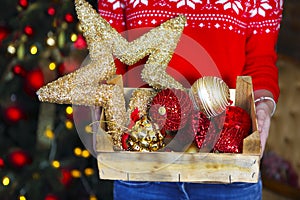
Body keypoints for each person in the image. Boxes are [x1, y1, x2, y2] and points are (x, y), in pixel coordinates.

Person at [97, 0, 284, 199]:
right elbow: (111, 57)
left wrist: (262, 106)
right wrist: (102, 103)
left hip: (229, 166)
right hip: (141, 164)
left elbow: (260, 60)